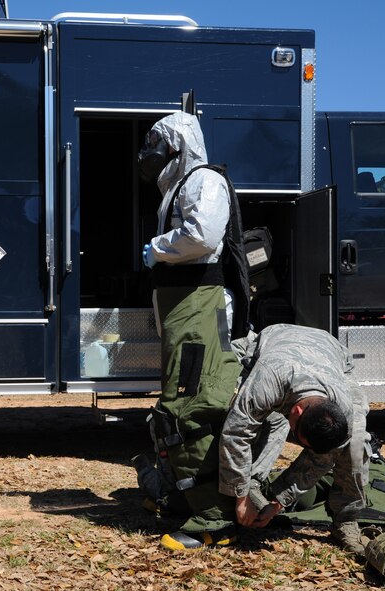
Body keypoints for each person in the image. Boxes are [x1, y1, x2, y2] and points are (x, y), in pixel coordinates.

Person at [139, 112, 250, 550]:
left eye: (157, 142)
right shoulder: (178, 187)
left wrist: (157, 248)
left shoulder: (205, 181)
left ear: (179, 144)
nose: (149, 152)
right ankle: (184, 497)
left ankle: (213, 518)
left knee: (197, 407)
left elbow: (202, 236)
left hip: (200, 309)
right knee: (176, 405)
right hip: (182, 310)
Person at [219, 323, 370, 555]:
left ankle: (346, 519)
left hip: (331, 352)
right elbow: (236, 433)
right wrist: (240, 496)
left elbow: (322, 459)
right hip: (270, 345)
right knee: (225, 403)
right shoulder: (268, 381)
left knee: (356, 442)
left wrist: (278, 502)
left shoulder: (344, 406)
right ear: (297, 411)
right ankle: (249, 483)